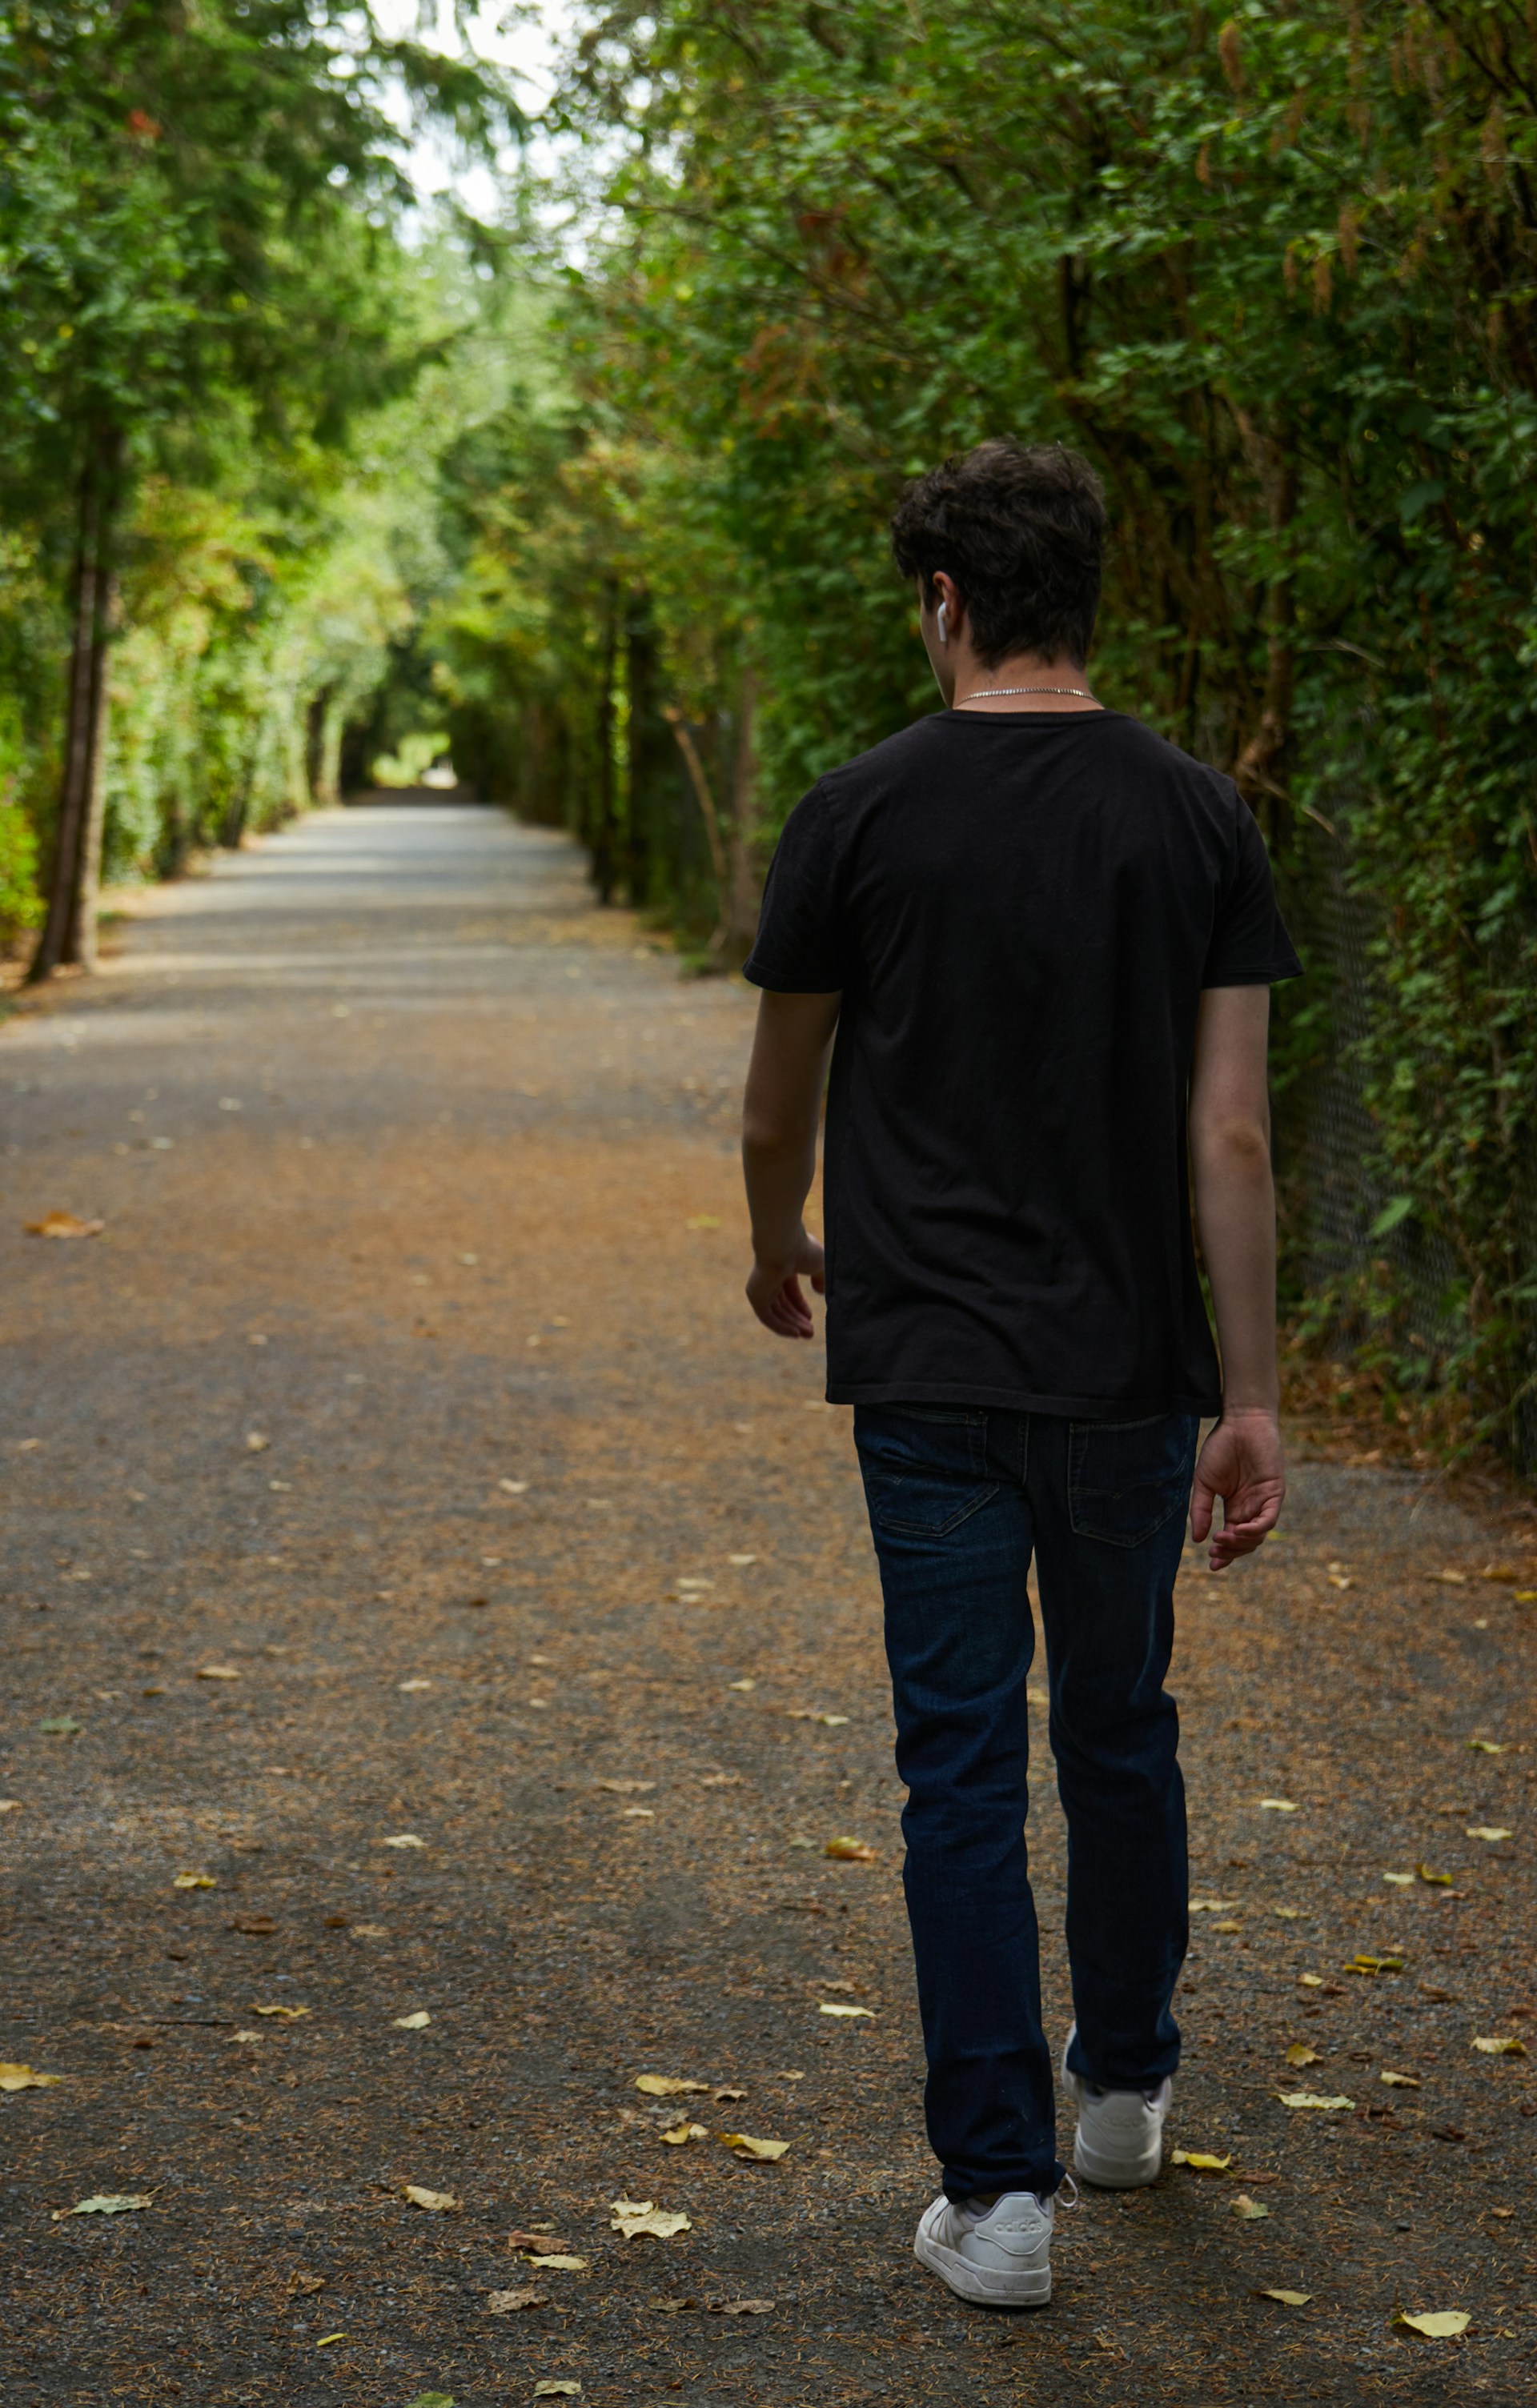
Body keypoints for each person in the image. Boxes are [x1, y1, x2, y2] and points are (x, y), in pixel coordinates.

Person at [738, 439, 1299, 2309]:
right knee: (1121, 1723)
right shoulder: (1198, 817)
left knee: (959, 1765)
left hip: (927, 1373)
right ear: (1089, 601)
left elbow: (778, 1100)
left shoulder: (857, 812)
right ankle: (1123, 2084)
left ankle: (999, 2204)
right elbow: (1232, 1138)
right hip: (1133, 1373)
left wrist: (774, 1239)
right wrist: (1255, 1393)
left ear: (948, 603)